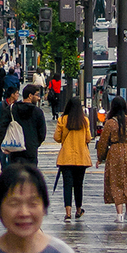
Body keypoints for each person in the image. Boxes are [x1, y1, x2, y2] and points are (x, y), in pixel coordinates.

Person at [97, 96, 127, 221]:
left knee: (116, 182)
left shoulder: (110, 123)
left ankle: (119, 214)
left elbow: (103, 142)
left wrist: (100, 158)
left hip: (115, 153)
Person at [52, 92, 91, 222]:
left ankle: (67, 213)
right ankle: (78, 210)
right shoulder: (84, 121)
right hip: (81, 157)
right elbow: (88, 138)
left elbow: (57, 138)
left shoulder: (62, 120)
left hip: (66, 157)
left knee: (67, 185)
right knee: (79, 185)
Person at [12, 84, 48, 164]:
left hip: (14, 149)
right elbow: (42, 133)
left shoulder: (13, 109)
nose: (38, 98)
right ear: (30, 96)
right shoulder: (38, 112)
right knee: (30, 174)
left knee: (15, 174)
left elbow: (3, 126)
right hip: (31, 150)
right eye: (37, 95)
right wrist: (34, 144)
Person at [0, 84, 25, 169]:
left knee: (13, 156)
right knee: (2, 155)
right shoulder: (1, 105)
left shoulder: (18, 106)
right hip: (3, 133)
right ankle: (4, 169)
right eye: (16, 93)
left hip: (14, 133)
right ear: (12, 94)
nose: (18, 95)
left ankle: (10, 170)